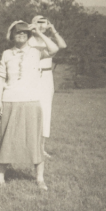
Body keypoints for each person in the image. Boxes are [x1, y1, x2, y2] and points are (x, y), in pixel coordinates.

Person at [0, 21, 60, 190]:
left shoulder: (37, 52)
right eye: (18, 33)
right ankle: (0, 176)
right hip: (10, 99)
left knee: (35, 140)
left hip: (31, 100)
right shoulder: (7, 54)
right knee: (6, 138)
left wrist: (38, 32)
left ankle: (39, 178)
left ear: (29, 35)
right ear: (12, 35)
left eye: (24, 33)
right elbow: (1, 78)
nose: (21, 35)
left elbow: (55, 49)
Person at [28, 15, 67, 157]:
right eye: (39, 22)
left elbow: (62, 46)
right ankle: (28, 144)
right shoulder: (28, 38)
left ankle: (41, 147)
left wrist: (53, 30)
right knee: (30, 109)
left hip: (46, 77)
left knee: (45, 111)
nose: (42, 25)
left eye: (44, 22)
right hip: (31, 77)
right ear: (33, 23)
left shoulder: (47, 40)